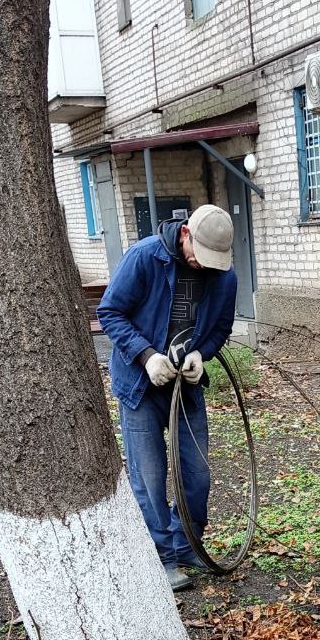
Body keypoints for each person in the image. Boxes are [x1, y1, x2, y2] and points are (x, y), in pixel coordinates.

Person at [97, 205, 237, 591]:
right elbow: (110, 312)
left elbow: (221, 327)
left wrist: (200, 353)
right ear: (186, 234)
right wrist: (146, 355)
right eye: (198, 255)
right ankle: (162, 556)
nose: (202, 266)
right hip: (141, 386)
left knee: (197, 473)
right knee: (151, 475)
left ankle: (187, 542)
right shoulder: (144, 258)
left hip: (184, 387)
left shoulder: (223, 276)